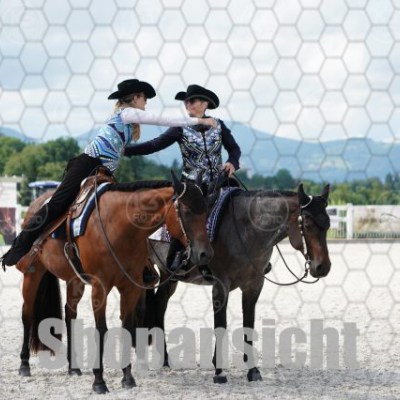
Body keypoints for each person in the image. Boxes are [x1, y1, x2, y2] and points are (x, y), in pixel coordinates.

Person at [1, 79, 216, 268]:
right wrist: (200, 121)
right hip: (86, 165)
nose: (146, 103)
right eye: (144, 98)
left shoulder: (129, 121)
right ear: (135, 97)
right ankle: (19, 247)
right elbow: (163, 120)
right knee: (57, 203)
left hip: (105, 172)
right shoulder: (126, 113)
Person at [124, 84, 242, 277]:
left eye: (192, 100)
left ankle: (250, 254)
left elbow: (234, 149)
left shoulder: (219, 125)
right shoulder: (180, 127)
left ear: (205, 104)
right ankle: (175, 257)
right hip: (192, 186)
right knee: (182, 215)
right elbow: (155, 144)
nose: (188, 104)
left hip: (219, 183)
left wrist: (232, 162)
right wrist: (126, 151)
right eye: (186, 102)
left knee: (241, 206)